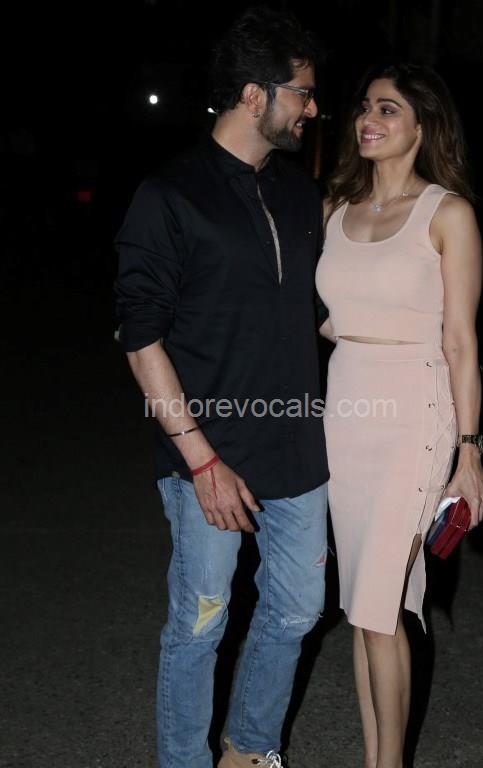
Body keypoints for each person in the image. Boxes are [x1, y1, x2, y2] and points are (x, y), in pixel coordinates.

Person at [114, 8, 328, 768]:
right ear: (252, 93)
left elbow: (319, 316)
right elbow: (140, 338)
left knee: (297, 612)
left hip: (298, 451)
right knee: (200, 625)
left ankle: (249, 749)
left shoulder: (300, 195)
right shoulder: (170, 194)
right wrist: (200, 459)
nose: (312, 108)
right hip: (207, 455)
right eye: (301, 92)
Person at [315, 63, 483, 768]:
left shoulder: (447, 214)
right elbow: (332, 315)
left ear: (423, 125)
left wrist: (470, 452)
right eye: (365, 106)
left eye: (388, 109)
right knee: (363, 607)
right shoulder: (337, 208)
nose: (369, 119)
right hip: (345, 412)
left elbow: (461, 341)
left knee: (380, 605)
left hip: (415, 414)